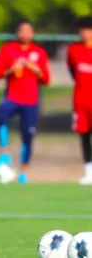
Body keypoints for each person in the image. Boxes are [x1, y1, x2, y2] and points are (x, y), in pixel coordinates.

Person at [0, 20, 51, 184]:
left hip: (31, 101)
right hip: (12, 97)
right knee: (0, 116)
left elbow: (46, 79)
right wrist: (12, 69)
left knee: (28, 135)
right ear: (18, 33)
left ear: (32, 34)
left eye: (28, 31)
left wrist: (34, 69)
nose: (25, 34)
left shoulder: (39, 52)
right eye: (22, 30)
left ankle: (23, 171)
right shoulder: (8, 50)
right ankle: (4, 153)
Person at [67, 16, 92, 185]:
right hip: (81, 101)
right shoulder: (74, 50)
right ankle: (89, 172)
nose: (85, 33)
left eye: (88, 29)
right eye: (82, 29)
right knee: (84, 136)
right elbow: (72, 72)